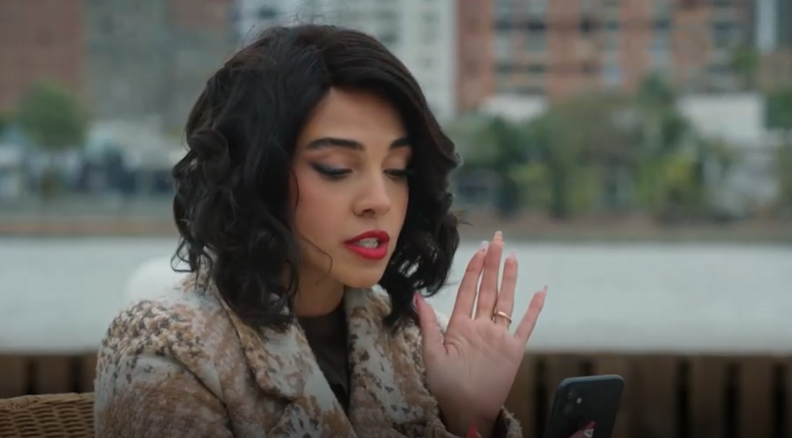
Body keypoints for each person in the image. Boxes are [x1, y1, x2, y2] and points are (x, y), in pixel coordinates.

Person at [93, 23, 547, 438]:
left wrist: (470, 420)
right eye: (336, 168)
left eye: (397, 169)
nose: (379, 200)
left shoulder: (424, 349)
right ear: (257, 175)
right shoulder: (167, 346)